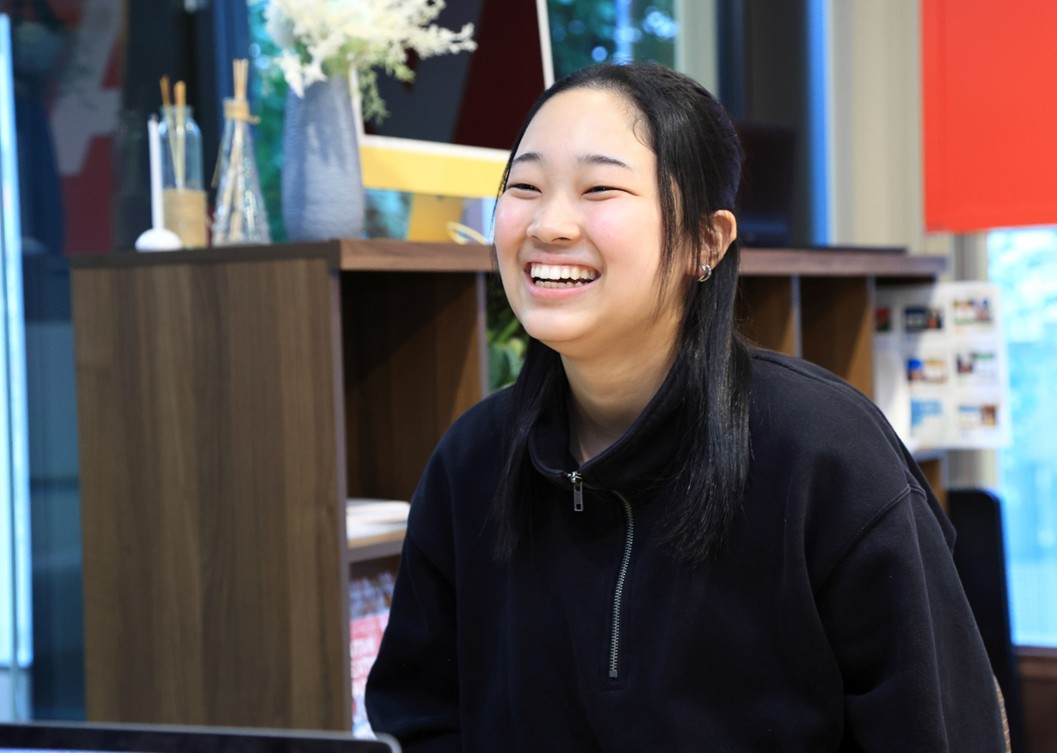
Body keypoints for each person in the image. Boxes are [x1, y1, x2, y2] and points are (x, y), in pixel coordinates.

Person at [365, 61, 1009, 752]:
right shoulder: (471, 462)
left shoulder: (828, 454)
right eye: (524, 187)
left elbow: (943, 732)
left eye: (599, 188)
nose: (548, 224)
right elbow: (420, 720)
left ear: (707, 241)